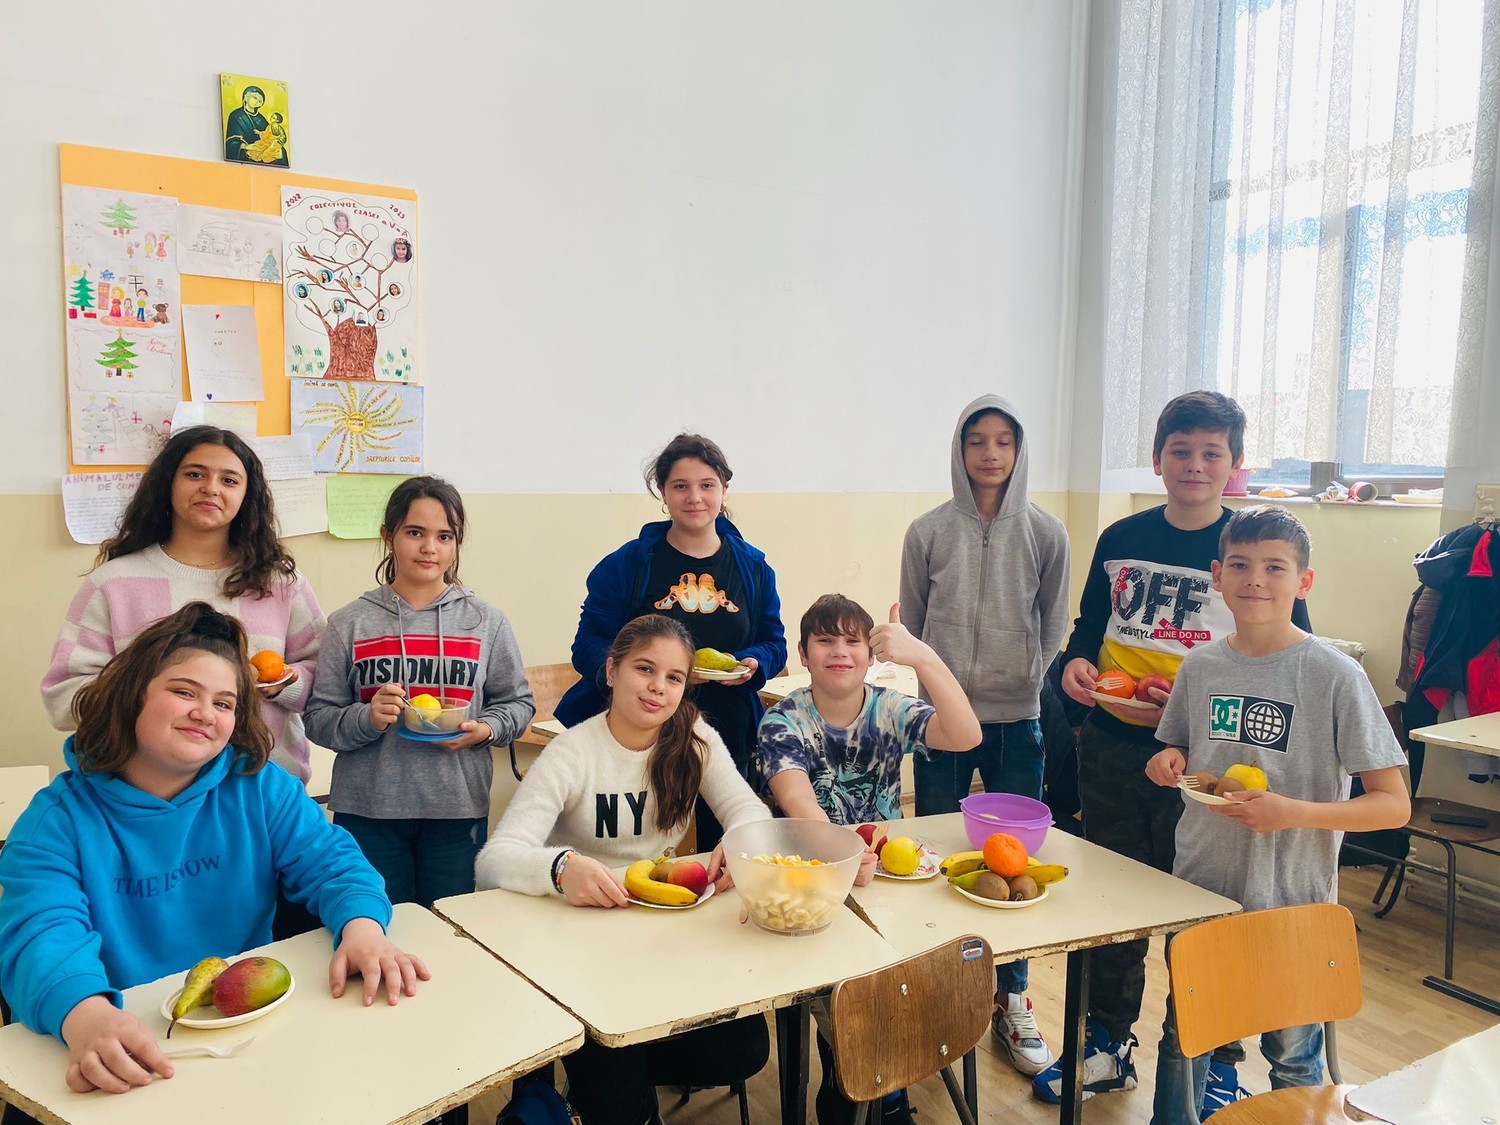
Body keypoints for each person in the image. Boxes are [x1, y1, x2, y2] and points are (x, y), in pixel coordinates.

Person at [0, 603, 428, 1099]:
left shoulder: (261, 787)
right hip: (129, 1047)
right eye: (184, 692)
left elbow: (334, 863)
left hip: (251, 1039)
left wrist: (363, 928)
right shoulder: (54, 823)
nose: (205, 713)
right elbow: (41, 935)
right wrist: (85, 1016)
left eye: (225, 703)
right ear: (131, 695)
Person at [1036, 391, 1313, 1106]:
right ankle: (1105, 1039)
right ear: (1157, 459)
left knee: (1208, 909)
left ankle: (1215, 1055)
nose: (1195, 465)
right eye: (1180, 451)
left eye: (1212, 453)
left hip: (1210, 765)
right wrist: (1075, 663)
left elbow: (1288, 652)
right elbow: (1089, 627)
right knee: (1117, 899)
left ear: (1235, 464)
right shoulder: (1121, 537)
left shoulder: (1252, 553)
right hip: (1115, 747)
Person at [1144, 505, 1408, 1123]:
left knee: (1293, 1056)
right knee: (1189, 1038)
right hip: (1203, 890)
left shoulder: (1336, 676)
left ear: (1303, 582)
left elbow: (1393, 806)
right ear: (1217, 575)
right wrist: (1168, 760)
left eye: (1274, 567)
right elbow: (1182, 748)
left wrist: (1291, 813)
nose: (1255, 579)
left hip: (1293, 900)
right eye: (1239, 565)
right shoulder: (1201, 665)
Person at [477, 614, 772, 1125]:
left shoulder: (694, 738)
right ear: (612, 671)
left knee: (744, 1049)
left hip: (664, 939)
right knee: (616, 1085)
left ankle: (599, 1074)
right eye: (644, 669)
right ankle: (603, 1080)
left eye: (674, 677)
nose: (658, 687)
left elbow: (749, 811)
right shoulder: (574, 751)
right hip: (583, 946)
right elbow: (493, 860)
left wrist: (739, 838)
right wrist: (561, 868)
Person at [757, 593, 981, 1125]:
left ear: (871, 652)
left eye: (853, 640)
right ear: (803, 654)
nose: (840, 651)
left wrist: (922, 657)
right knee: (850, 1008)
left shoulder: (890, 708)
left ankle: (886, 1086)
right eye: (825, 640)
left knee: (921, 984)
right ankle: (855, 1090)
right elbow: (797, 800)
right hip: (813, 889)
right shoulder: (782, 721)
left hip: (890, 883)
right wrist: (842, 854)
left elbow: (966, 734)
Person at [898, 394, 1070, 1077]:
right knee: (936, 852)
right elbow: (914, 626)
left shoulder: (1047, 533)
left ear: (1019, 450)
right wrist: (935, 687)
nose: (991, 453)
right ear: (960, 449)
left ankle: (1011, 997)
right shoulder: (927, 532)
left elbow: (1053, 622)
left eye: (1004, 440)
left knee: (1014, 865)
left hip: (1018, 722)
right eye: (977, 440)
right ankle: (940, 983)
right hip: (942, 722)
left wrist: (1027, 677)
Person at [41, 425, 324, 785]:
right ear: (168, 483)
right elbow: (63, 697)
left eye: (229, 480)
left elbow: (327, 681)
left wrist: (280, 683)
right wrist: (151, 690)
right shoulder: (113, 583)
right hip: (144, 793)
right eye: (195, 474)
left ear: (247, 496)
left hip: (264, 790)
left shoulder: (281, 584)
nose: (211, 488)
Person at [305, 476, 534, 909]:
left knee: (450, 926)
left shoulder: (486, 622)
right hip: (368, 810)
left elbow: (518, 704)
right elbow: (318, 719)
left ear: (457, 543)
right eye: (415, 532)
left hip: (457, 807)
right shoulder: (349, 623)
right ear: (388, 536)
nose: (430, 548)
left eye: (444, 536)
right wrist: (367, 717)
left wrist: (484, 729)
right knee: (375, 922)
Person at [554, 432, 787, 852]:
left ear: (724, 489)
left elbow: (773, 642)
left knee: (724, 849)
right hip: (639, 730)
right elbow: (587, 645)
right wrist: (641, 673)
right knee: (635, 849)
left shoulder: (753, 568)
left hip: (726, 728)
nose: (694, 497)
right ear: (663, 492)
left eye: (707, 485)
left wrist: (753, 662)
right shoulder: (627, 564)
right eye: (681, 486)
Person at [224, 85, 286, 166]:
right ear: (246, 98)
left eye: (260, 101)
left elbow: (271, 137)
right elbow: (230, 142)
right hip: (244, 157)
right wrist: (246, 146)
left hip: (263, 154)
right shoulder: (236, 116)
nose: (257, 101)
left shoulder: (261, 119)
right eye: (255, 98)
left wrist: (280, 152)